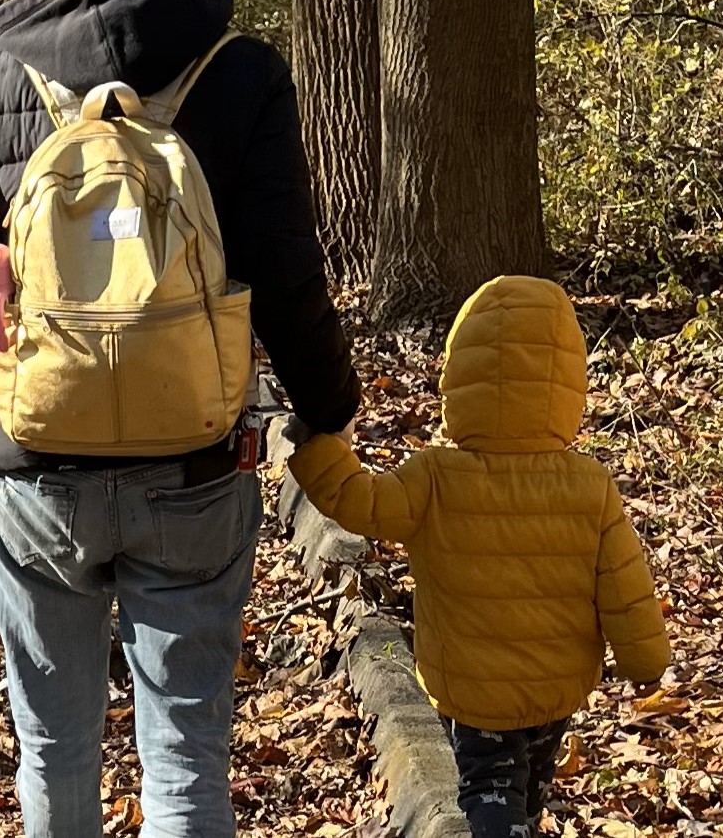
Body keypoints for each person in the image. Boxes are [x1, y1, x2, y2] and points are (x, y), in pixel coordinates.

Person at [0, 0, 358, 837]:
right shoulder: (239, 71)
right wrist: (329, 408)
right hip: (192, 464)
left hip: (33, 471)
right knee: (186, 751)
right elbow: (287, 278)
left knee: (54, 746)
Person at [287, 275, 670, 838]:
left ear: (458, 375)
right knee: (531, 786)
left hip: (471, 688)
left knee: (489, 785)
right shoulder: (590, 485)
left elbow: (362, 504)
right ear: (567, 384)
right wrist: (644, 663)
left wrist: (319, 449)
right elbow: (624, 585)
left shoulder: (434, 477)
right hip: (554, 685)